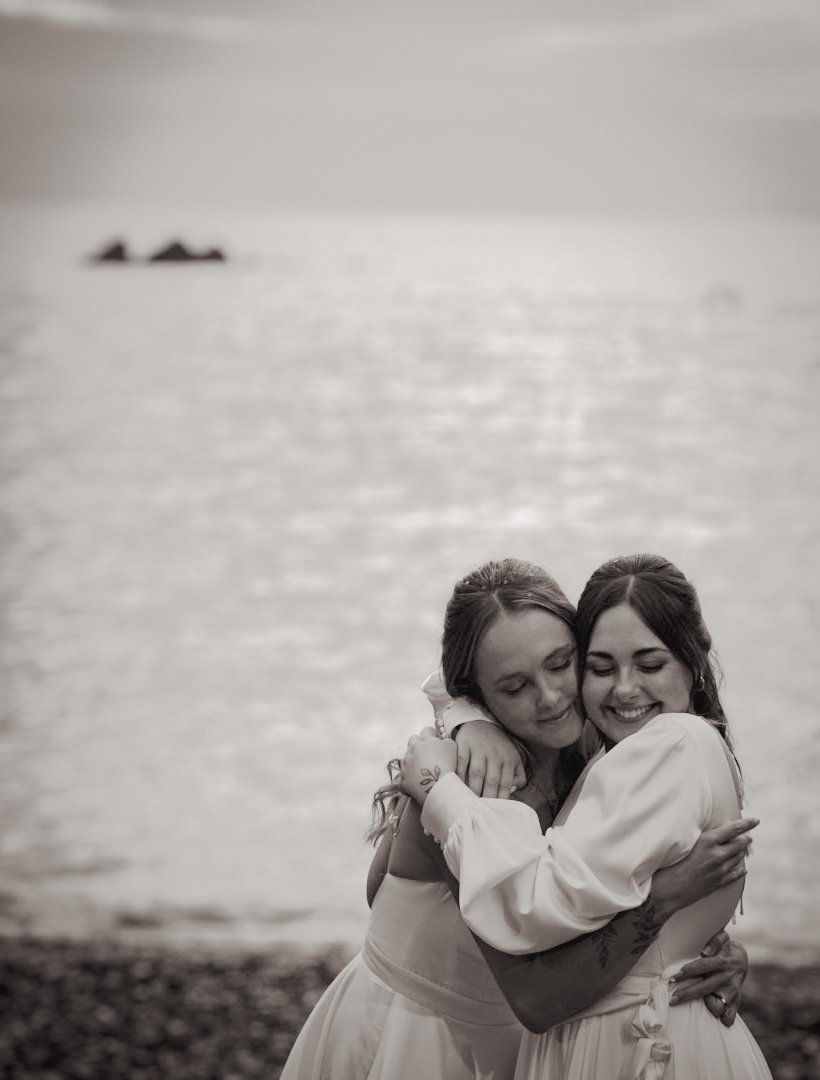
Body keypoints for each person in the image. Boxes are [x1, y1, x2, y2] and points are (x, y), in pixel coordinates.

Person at [280, 558, 755, 1080]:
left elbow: (603, 889)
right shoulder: (472, 779)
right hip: (415, 1040)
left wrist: (690, 947)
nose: (550, 698)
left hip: (515, 1044)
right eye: (514, 688)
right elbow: (536, 992)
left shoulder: (599, 744)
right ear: (481, 693)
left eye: (561, 664)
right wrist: (667, 900)